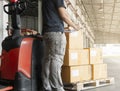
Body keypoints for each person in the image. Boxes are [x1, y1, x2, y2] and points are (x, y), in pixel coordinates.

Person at [42, 0, 80, 91]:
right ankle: (57, 88)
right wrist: (75, 26)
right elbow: (64, 15)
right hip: (56, 33)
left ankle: (46, 86)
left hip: (47, 33)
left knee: (48, 60)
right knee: (56, 59)